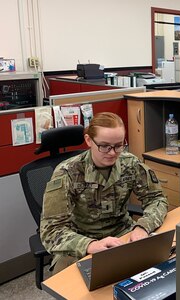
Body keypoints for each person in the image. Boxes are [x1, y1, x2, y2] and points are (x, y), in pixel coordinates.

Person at [40, 112, 168, 273]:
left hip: (122, 233)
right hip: (80, 239)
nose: (113, 152)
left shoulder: (130, 163)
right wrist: (90, 245)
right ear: (88, 140)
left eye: (119, 145)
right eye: (105, 146)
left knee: (159, 270)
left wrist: (143, 226)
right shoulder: (67, 172)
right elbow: (51, 230)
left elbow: (157, 199)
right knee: (74, 288)